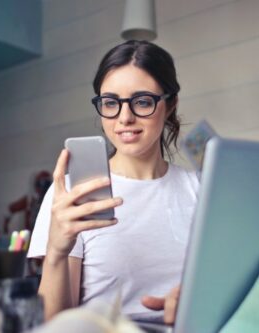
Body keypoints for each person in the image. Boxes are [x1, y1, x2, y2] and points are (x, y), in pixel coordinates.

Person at [27, 40, 199, 324]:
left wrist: (197, 301)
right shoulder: (73, 194)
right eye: (111, 103)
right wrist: (57, 251)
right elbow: (55, 324)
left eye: (142, 101)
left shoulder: (201, 189)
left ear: (170, 105)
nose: (125, 117)